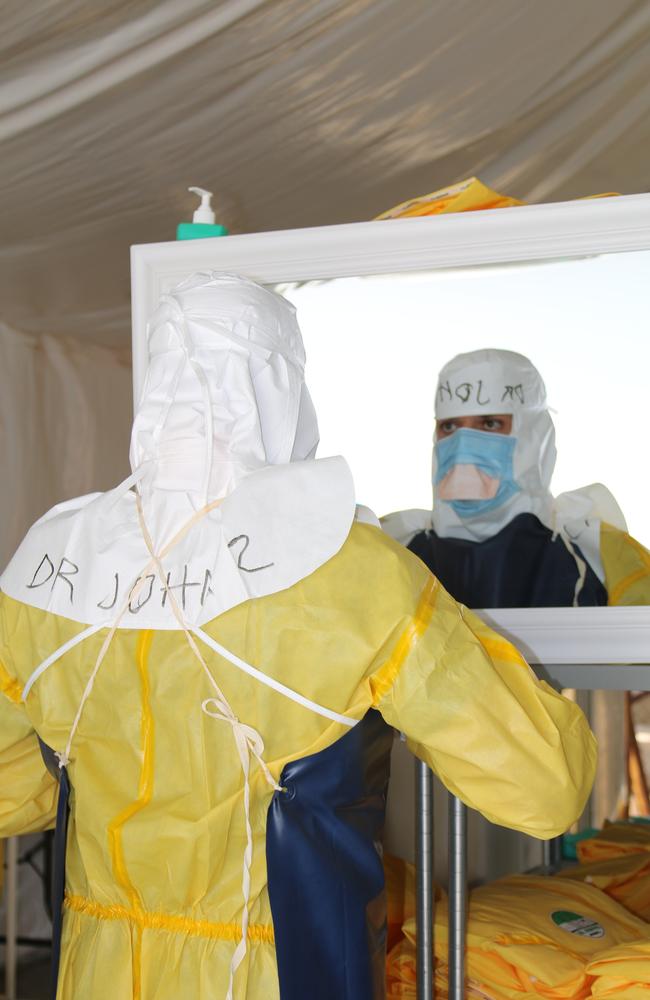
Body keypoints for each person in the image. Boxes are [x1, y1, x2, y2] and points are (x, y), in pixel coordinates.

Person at [0, 282, 596, 1000]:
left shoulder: (41, 576)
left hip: (94, 972)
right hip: (278, 973)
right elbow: (546, 789)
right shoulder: (356, 575)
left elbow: (12, 792)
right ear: (282, 390)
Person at [383, 348, 650, 610]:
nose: (463, 446)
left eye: (490, 424)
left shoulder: (603, 557)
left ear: (532, 436)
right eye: (449, 426)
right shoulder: (392, 551)